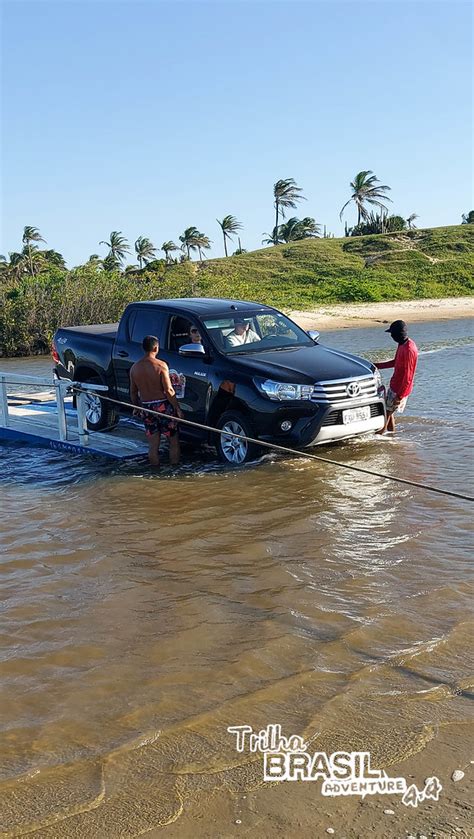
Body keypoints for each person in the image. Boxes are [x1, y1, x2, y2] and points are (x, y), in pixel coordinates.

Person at [130, 335, 183, 466]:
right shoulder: (161, 365)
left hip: (146, 407)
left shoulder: (134, 368)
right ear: (156, 347)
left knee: (153, 445)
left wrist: (136, 407)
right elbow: (169, 390)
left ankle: (155, 471)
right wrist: (177, 408)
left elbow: (133, 392)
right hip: (163, 407)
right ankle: (174, 470)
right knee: (173, 440)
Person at [375, 320, 418, 434]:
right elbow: (395, 362)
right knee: (389, 413)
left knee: (386, 414)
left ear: (397, 334)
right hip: (395, 386)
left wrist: (400, 396)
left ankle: (379, 439)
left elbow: (408, 376)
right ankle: (391, 436)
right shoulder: (402, 344)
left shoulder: (409, 349)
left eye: (392, 334)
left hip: (400, 389)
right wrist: (376, 366)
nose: (391, 336)